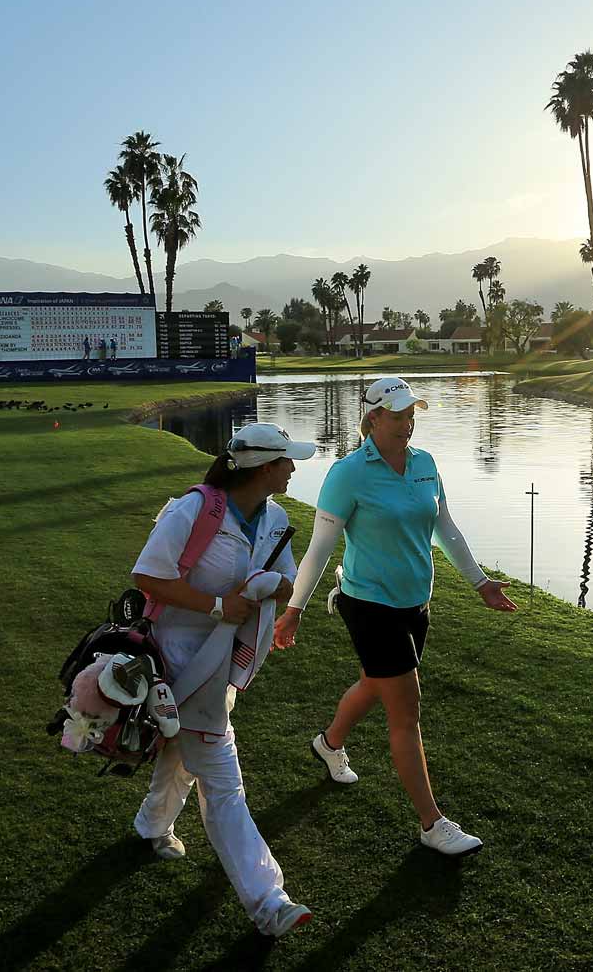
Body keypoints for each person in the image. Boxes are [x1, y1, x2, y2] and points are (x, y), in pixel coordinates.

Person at [273, 377, 518, 856]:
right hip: (368, 603)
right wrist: (294, 610)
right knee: (405, 709)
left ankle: (329, 742)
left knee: (374, 682)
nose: (408, 423)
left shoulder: (425, 464)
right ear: (372, 419)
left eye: (412, 414)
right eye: (398, 414)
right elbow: (321, 547)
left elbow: (445, 527)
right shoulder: (347, 473)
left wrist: (481, 583)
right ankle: (432, 823)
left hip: (414, 603)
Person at [130, 422, 315, 938]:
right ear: (263, 468)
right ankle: (268, 900)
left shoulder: (276, 517)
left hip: (220, 661)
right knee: (222, 777)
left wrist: (271, 587)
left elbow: (288, 579)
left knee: (181, 749)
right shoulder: (193, 509)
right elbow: (147, 574)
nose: (294, 469)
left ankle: (151, 825)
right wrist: (219, 604)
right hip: (175, 656)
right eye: (286, 462)